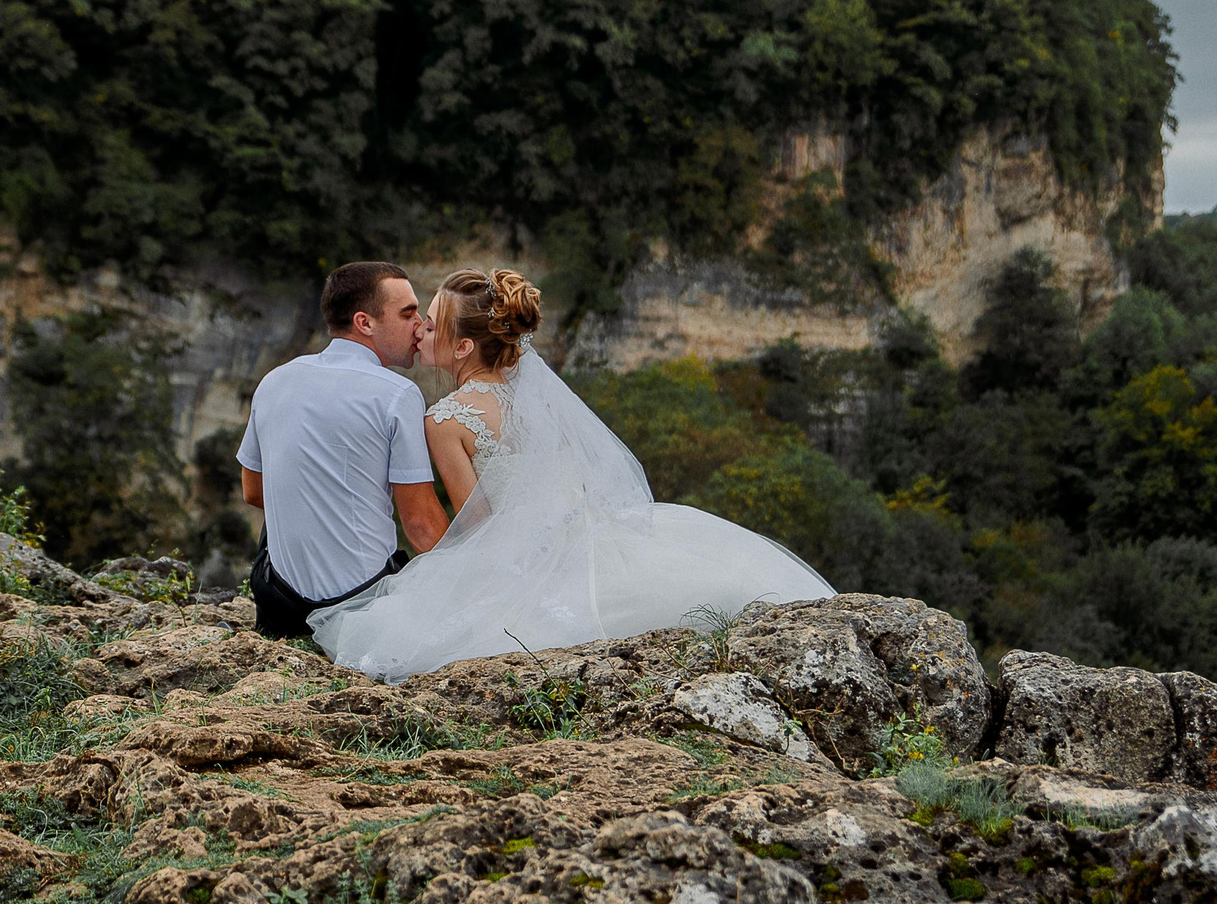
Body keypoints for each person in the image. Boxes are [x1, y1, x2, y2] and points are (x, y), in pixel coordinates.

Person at [309, 267, 835, 680]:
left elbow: (478, 523)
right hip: (582, 538)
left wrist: (458, 579)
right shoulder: (534, 400)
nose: (421, 329)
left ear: (464, 346)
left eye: (433, 322)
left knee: (396, 630)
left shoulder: (445, 419)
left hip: (522, 556)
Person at [237, 262, 451, 639]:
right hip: (361, 611)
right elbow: (420, 526)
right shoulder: (397, 395)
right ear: (365, 322)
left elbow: (254, 491)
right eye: (407, 313)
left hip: (280, 607)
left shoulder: (274, 381)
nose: (420, 325)